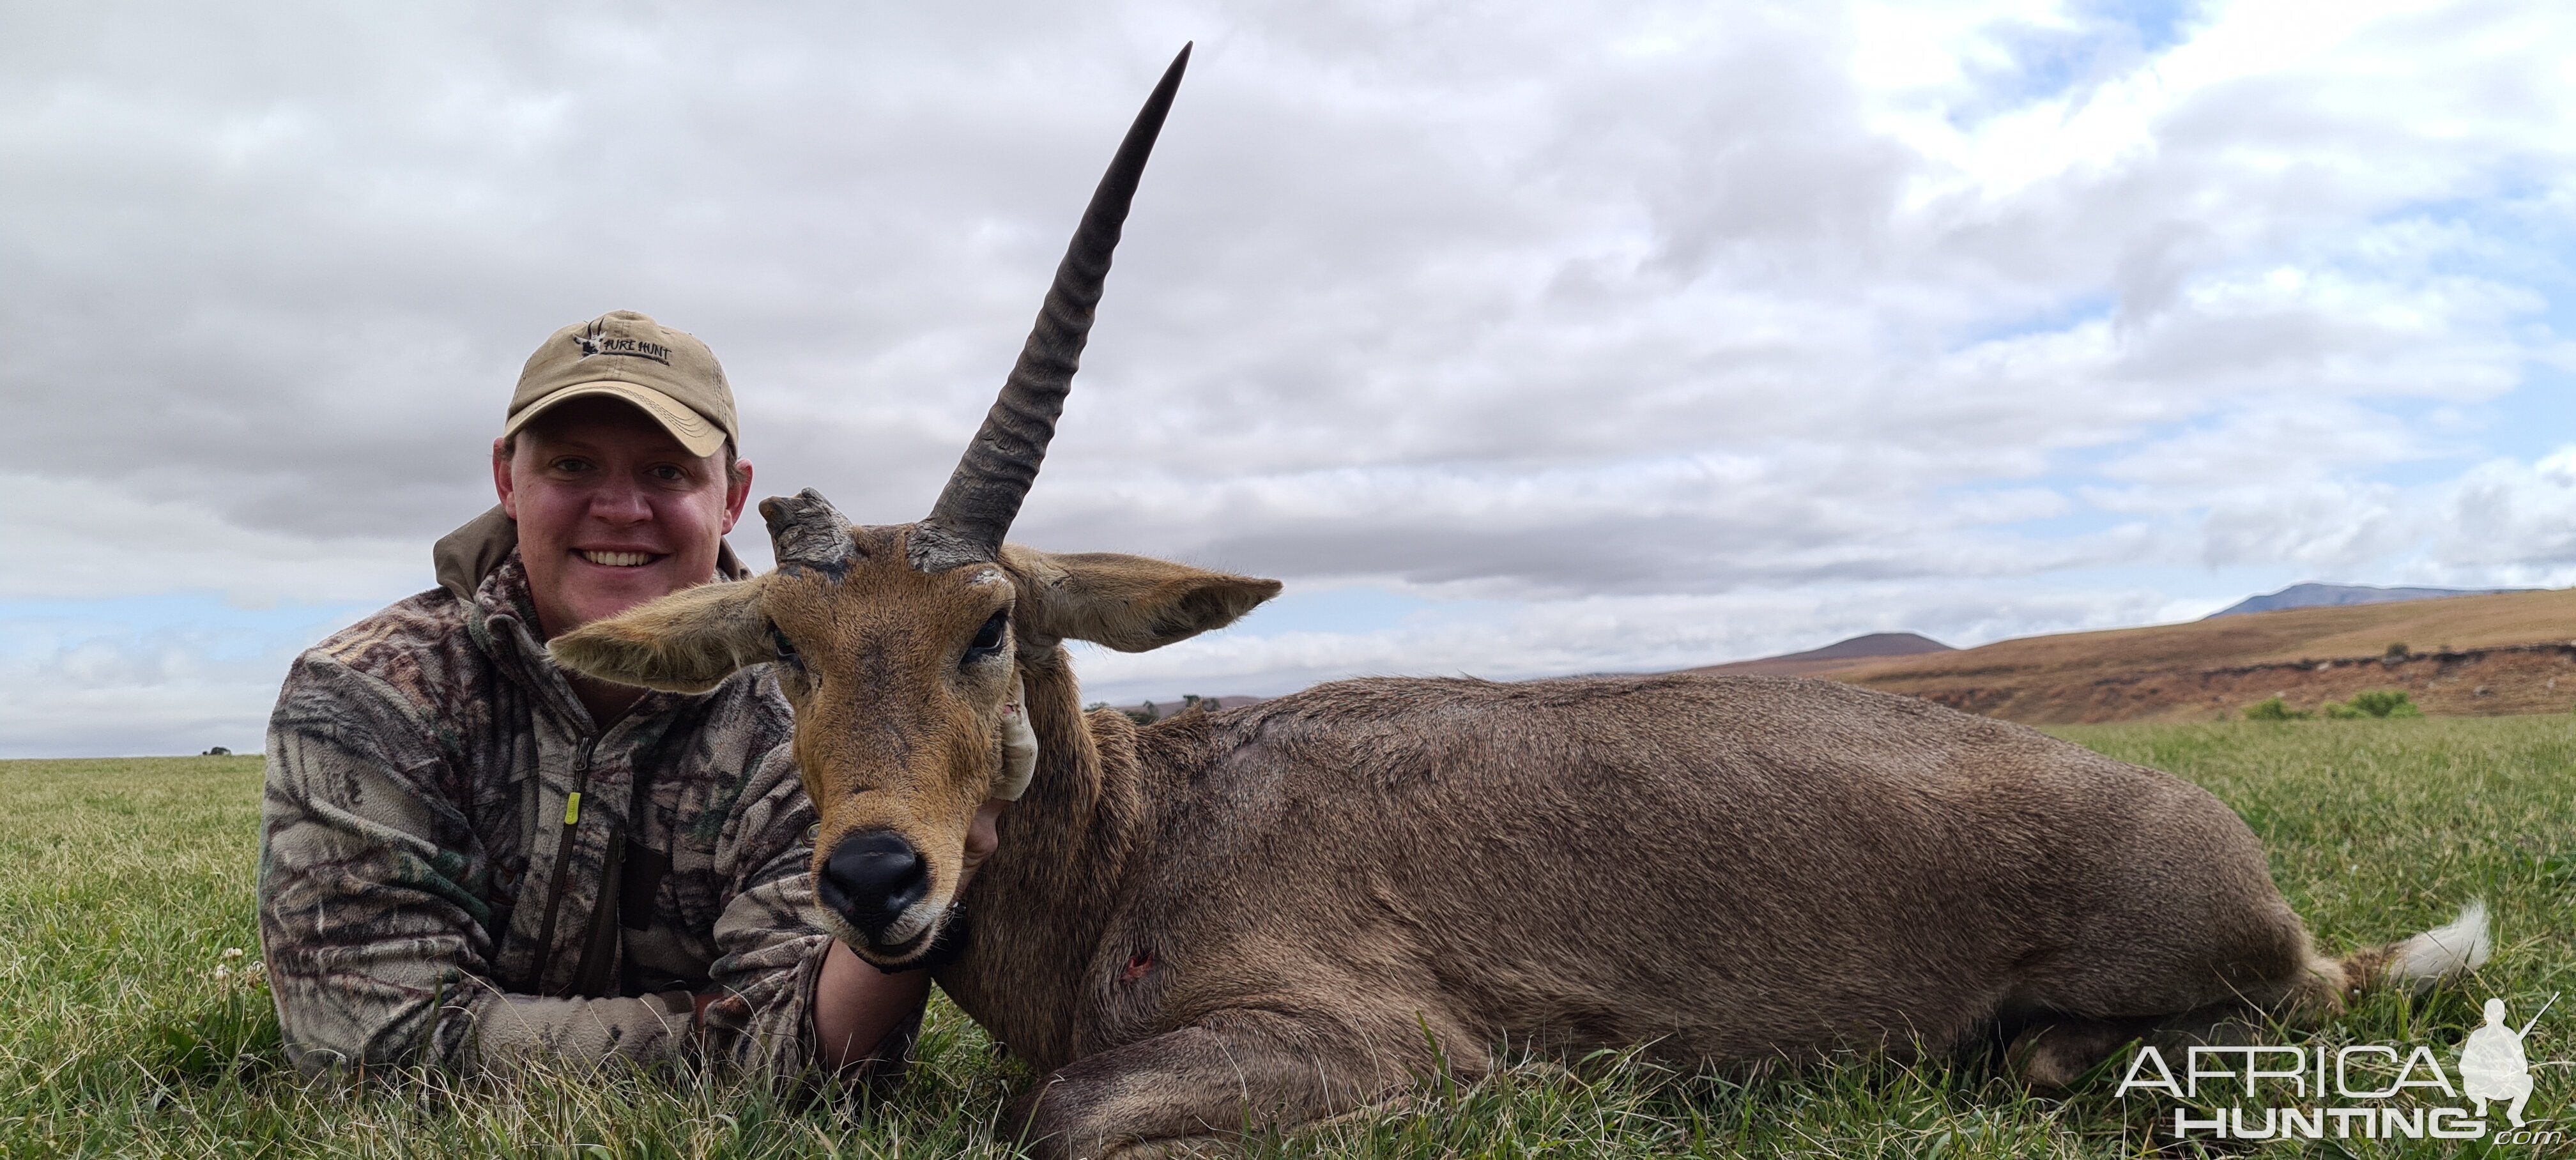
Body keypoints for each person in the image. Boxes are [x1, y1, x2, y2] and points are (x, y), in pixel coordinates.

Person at [257, 310, 1002, 1085]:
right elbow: (367, 1042)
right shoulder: (367, 693)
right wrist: (727, 1036)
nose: (621, 508)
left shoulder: (814, 719)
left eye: (667, 472)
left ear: (732, 500)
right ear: (507, 479)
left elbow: (830, 1051)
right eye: (573, 466)